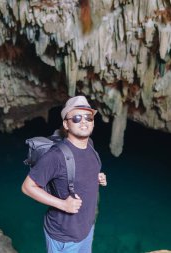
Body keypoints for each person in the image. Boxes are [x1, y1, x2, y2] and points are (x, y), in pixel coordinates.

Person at [22, 95, 107, 253]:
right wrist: (63, 205)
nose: (83, 121)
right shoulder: (56, 156)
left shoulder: (90, 145)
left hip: (87, 229)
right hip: (64, 237)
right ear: (66, 124)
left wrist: (96, 177)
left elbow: (81, 171)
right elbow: (27, 187)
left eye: (88, 117)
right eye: (76, 117)